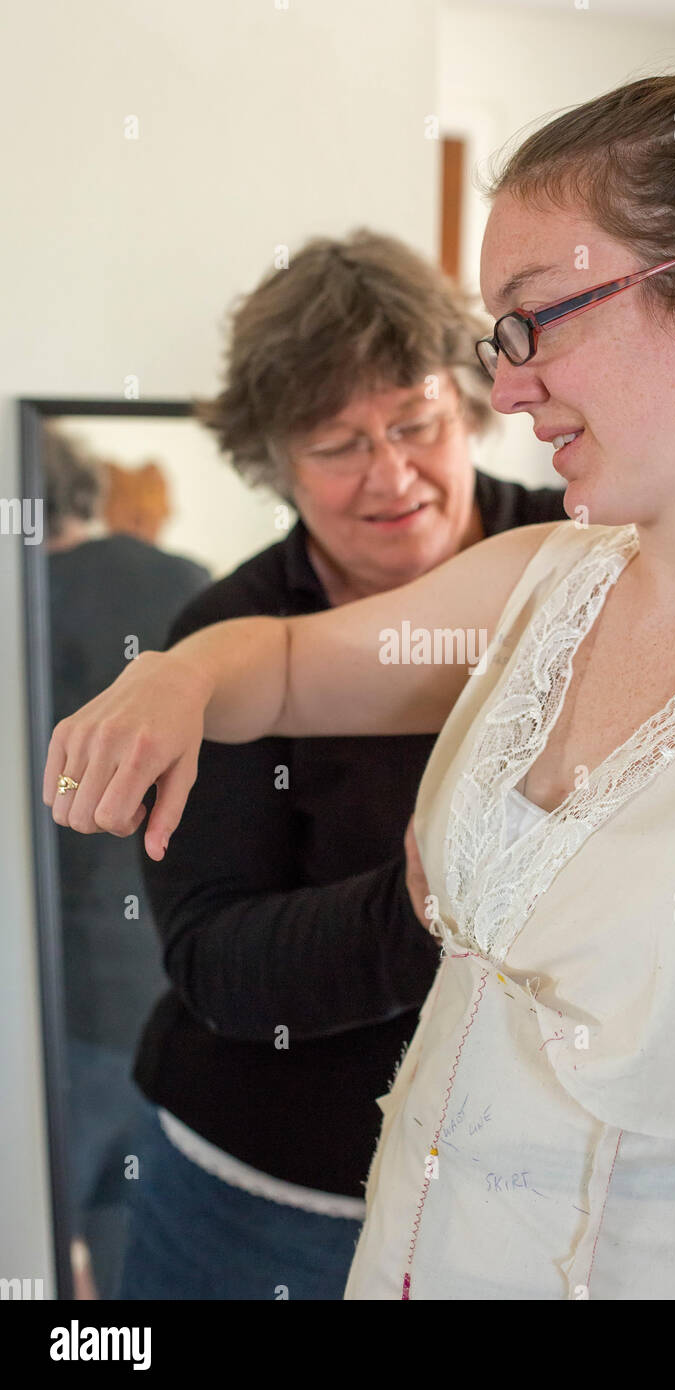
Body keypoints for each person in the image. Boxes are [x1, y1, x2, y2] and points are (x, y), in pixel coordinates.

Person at [45, 69, 675, 1300]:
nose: (509, 384)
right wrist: (177, 672)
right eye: (498, 338)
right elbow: (280, 664)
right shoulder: (548, 575)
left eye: (534, 320)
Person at [95, 230, 564, 1301]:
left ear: (469, 404)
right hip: (267, 1194)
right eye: (337, 445)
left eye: (415, 423)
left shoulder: (577, 557)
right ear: (274, 462)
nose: (389, 476)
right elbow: (215, 959)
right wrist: (426, 903)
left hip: (510, 1193)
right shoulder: (224, 637)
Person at [44, 427, 211, 1297]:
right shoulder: (186, 581)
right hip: (175, 986)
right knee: (133, 1260)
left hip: (59, 999)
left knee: (35, 1238)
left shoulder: (27, 603)